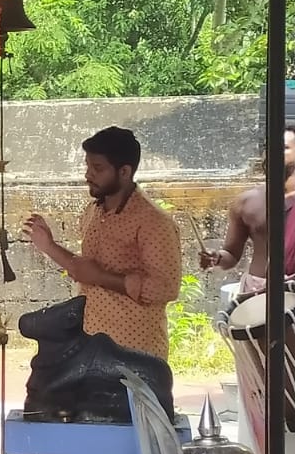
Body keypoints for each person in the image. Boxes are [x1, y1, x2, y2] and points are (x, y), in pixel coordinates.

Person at [23, 126, 181, 360]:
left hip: (135, 351)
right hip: (91, 345)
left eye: (98, 168)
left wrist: (103, 278)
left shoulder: (154, 222)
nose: (88, 175)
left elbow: (165, 289)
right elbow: (84, 271)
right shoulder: (93, 212)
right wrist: (48, 246)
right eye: (88, 166)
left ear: (124, 172)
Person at [201, 126, 295, 296]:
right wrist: (216, 258)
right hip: (256, 291)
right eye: (271, 147)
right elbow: (231, 254)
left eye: (284, 148)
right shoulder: (247, 201)